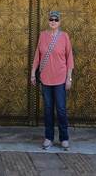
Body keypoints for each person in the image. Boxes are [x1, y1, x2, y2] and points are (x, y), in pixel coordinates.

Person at [31, 10, 74, 150]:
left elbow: (69, 58)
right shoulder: (43, 36)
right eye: (51, 19)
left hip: (60, 79)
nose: (53, 22)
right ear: (48, 21)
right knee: (48, 110)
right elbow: (37, 55)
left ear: (59, 22)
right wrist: (33, 73)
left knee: (61, 110)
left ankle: (64, 138)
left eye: (56, 20)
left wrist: (69, 78)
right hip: (45, 79)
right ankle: (48, 137)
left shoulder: (64, 36)